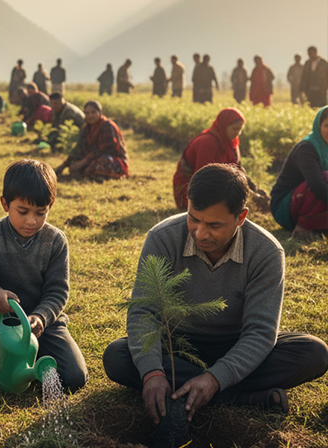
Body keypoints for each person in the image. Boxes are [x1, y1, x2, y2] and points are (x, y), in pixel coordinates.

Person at [102, 164, 328, 432]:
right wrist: (152, 372)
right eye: (194, 218)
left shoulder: (266, 252)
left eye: (214, 225)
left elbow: (260, 332)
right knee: (117, 356)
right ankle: (244, 398)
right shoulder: (162, 238)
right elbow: (144, 312)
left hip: (236, 345)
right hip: (177, 349)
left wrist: (214, 378)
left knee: (314, 352)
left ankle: (208, 388)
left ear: (241, 217)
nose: (200, 233)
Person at [0, 159, 88, 392]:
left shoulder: (56, 241)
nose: (31, 221)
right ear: (5, 204)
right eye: (23, 211)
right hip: (4, 320)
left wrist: (41, 317)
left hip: (43, 324)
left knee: (74, 377)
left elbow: (58, 291)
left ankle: (31, 361)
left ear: (50, 205)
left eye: (40, 213)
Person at [173, 108, 246, 210]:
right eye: (234, 129)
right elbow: (203, 178)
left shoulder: (231, 142)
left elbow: (237, 168)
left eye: (240, 129)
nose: (237, 133)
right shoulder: (208, 142)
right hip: (191, 190)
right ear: (223, 127)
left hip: (216, 184)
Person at [270, 106, 328, 234]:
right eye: (327, 126)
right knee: (325, 177)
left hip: (311, 200)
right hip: (284, 207)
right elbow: (317, 185)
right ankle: (304, 228)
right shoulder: (306, 149)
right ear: (319, 127)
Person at [55, 100, 129, 180]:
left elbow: (106, 150)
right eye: (87, 113)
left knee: (102, 163)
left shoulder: (107, 126)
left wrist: (83, 162)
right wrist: (63, 166)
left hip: (112, 159)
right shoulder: (86, 127)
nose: (90, 115)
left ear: (100, 113)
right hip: (91, 159)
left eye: (93, 112)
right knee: (75, 163)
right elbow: (78, 148)